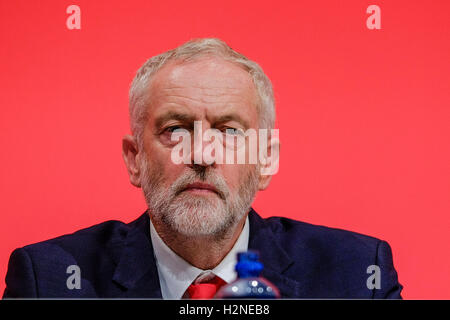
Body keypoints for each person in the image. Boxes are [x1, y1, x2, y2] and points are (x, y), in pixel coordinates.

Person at [3, 38, 402, 299]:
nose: (202, 153)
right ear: (135, 158)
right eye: (176, 129)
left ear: (267, 159)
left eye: (229, 131)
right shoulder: (51, 281)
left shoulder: (357, 275)